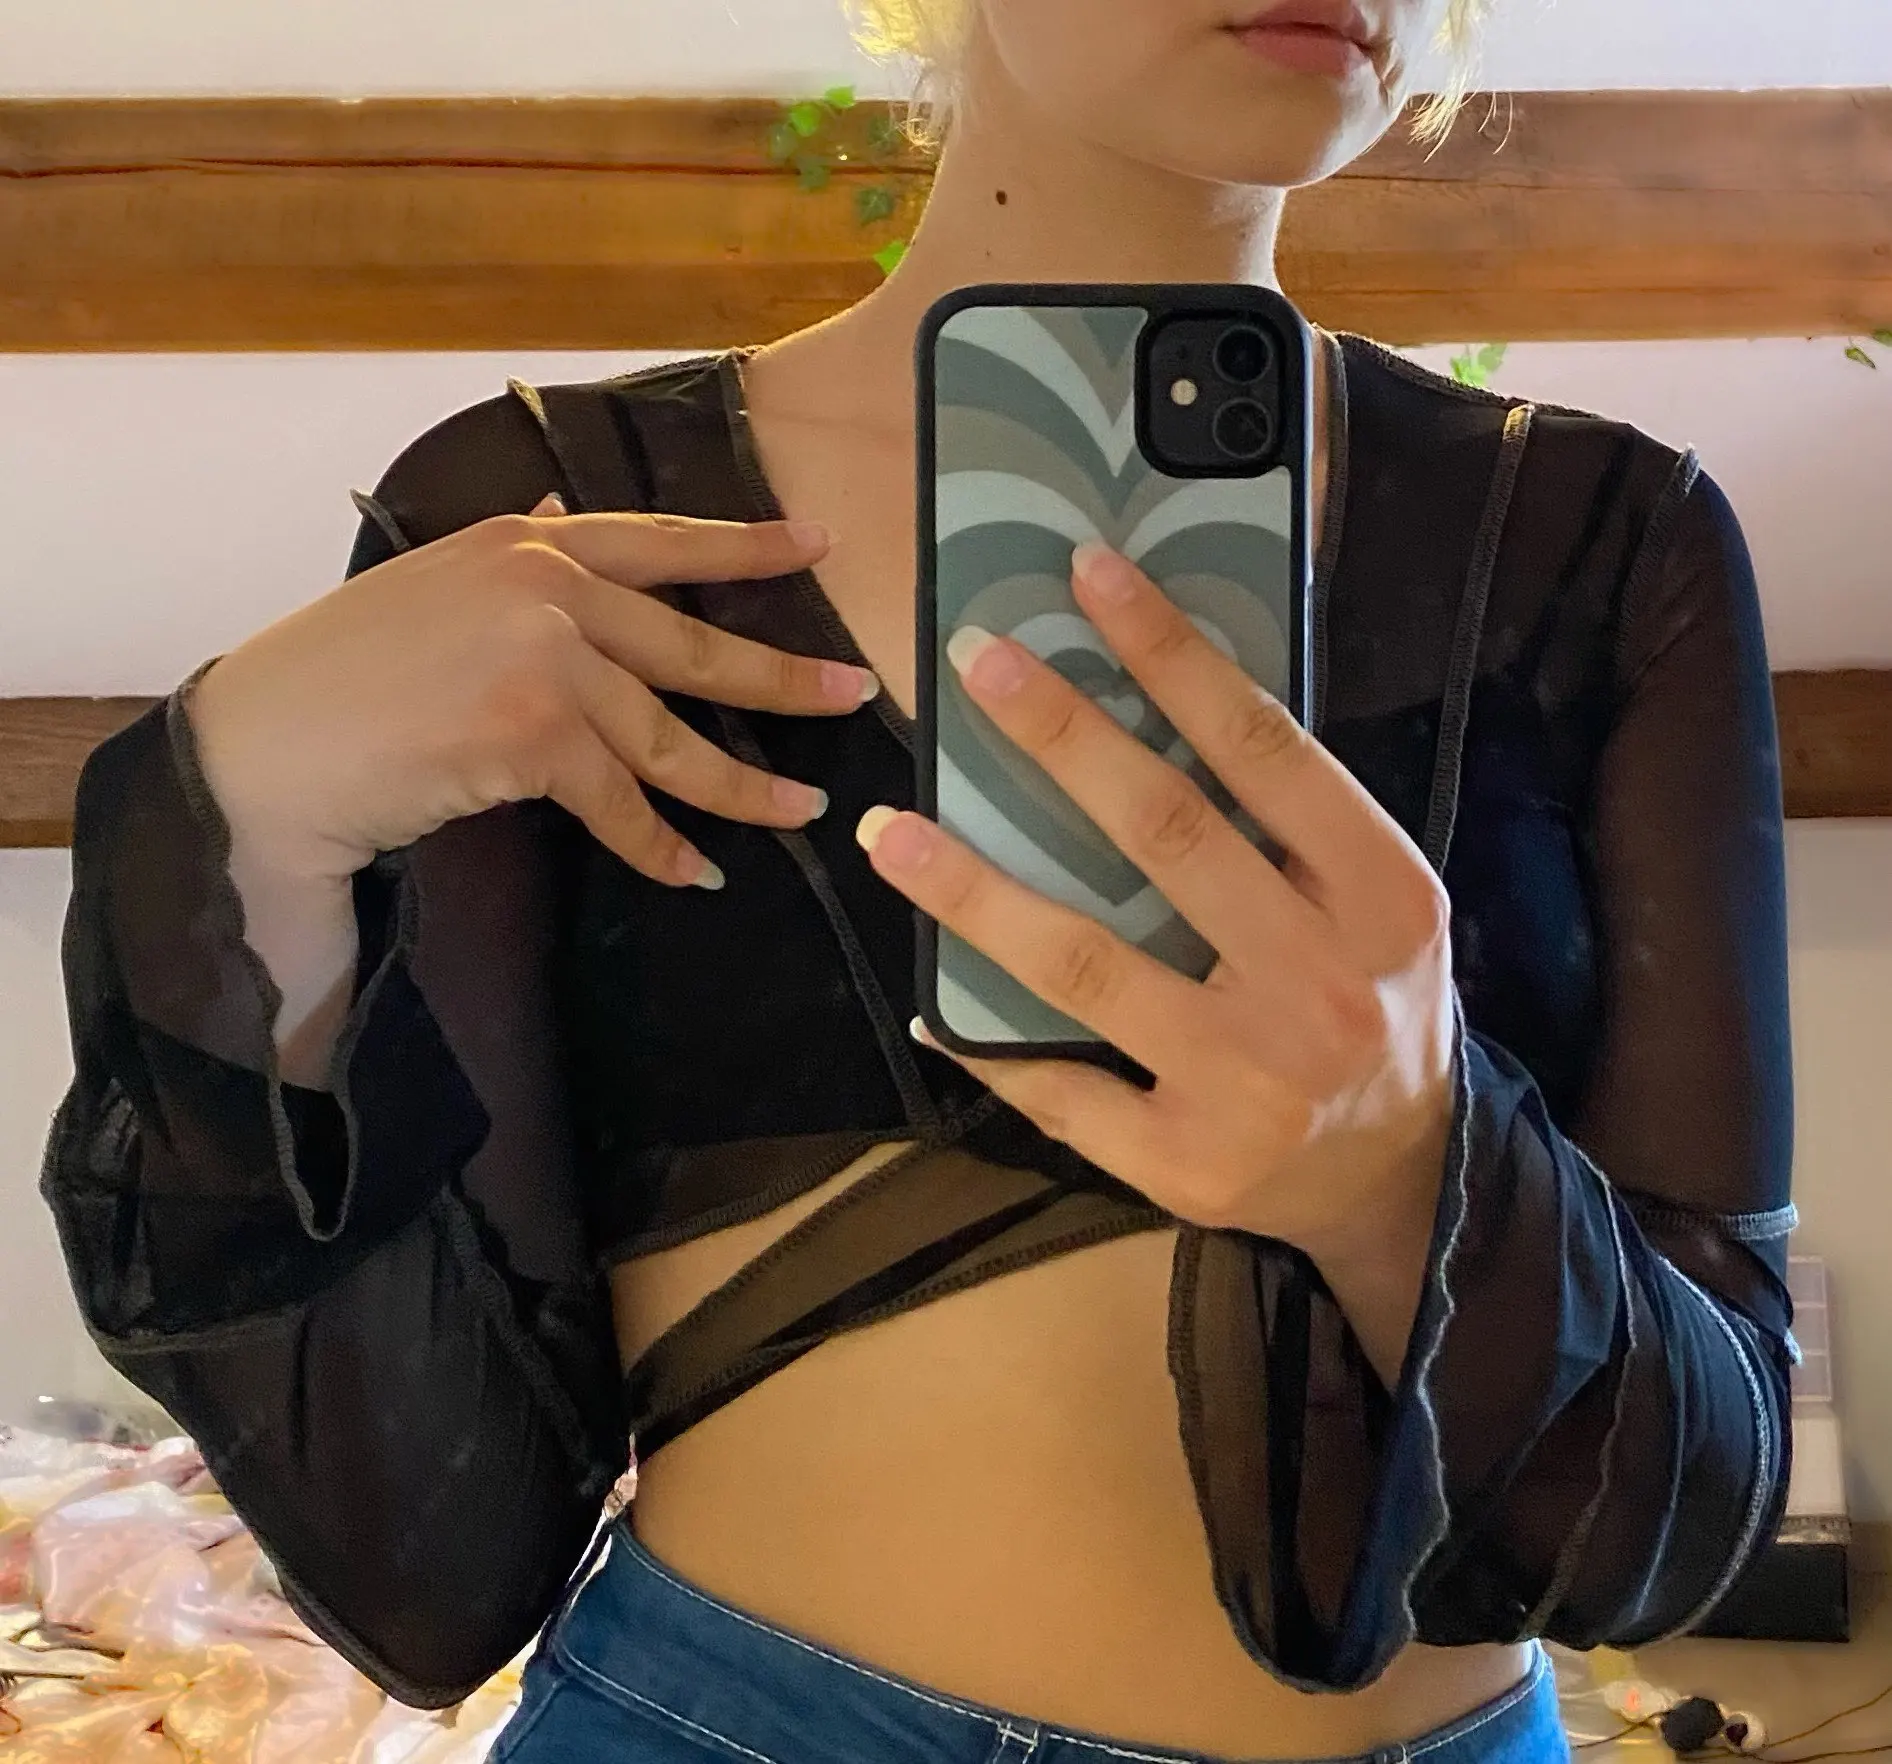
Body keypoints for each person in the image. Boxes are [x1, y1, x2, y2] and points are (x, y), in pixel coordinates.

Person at [43, 1, 1796, 1761]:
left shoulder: (1605, 549)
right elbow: (431, 1557)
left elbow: (1685, 1517)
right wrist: (245, 804)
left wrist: (1407, 1176)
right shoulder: (557, 537)